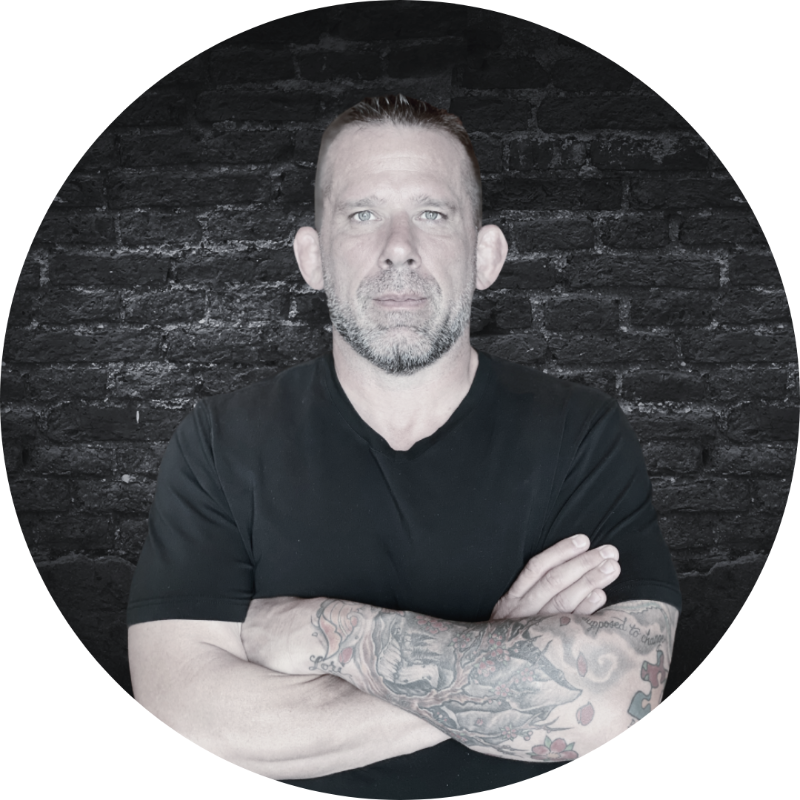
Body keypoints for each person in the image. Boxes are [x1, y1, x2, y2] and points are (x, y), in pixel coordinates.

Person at [127, 95, 681, 799]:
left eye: (433, 213)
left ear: (485, 256)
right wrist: (502, 655)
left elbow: (617, 704)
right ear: (312, 258)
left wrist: (329, 629)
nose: (398, 245)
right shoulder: (218, 442)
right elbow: (182, 721)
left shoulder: (582, 435)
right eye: (362, 215)